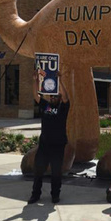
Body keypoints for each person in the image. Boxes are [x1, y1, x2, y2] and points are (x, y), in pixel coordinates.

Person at [28, 69, 70, 204]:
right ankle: (35, 194)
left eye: (55, 96)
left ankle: (55, 195)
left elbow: (65, 97)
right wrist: (35, 80)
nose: (52, 98)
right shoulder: (45, 106)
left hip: (58, 146)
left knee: (56, 173)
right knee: (38, 171)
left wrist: (59, 80)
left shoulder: (63, 108)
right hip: (44, 145)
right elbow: (36, 95)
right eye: (51, 96)